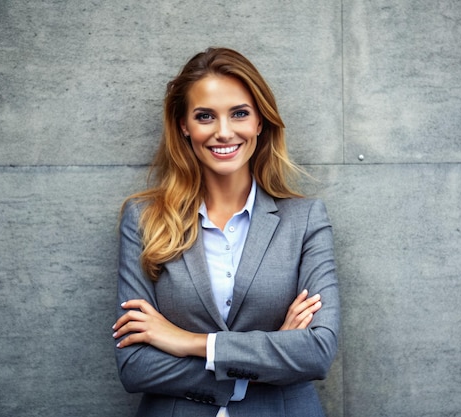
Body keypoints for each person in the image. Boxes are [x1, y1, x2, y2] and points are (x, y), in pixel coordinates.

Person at [112, 47, 339, 417]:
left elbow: (316, 352)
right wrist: (273, 353)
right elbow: (136, 365)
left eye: (239, 114)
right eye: (205, 116)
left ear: (259, 122)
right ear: (184, 125)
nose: (223, 132)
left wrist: (189, 342)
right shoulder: (144, 219)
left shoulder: (306, 219)